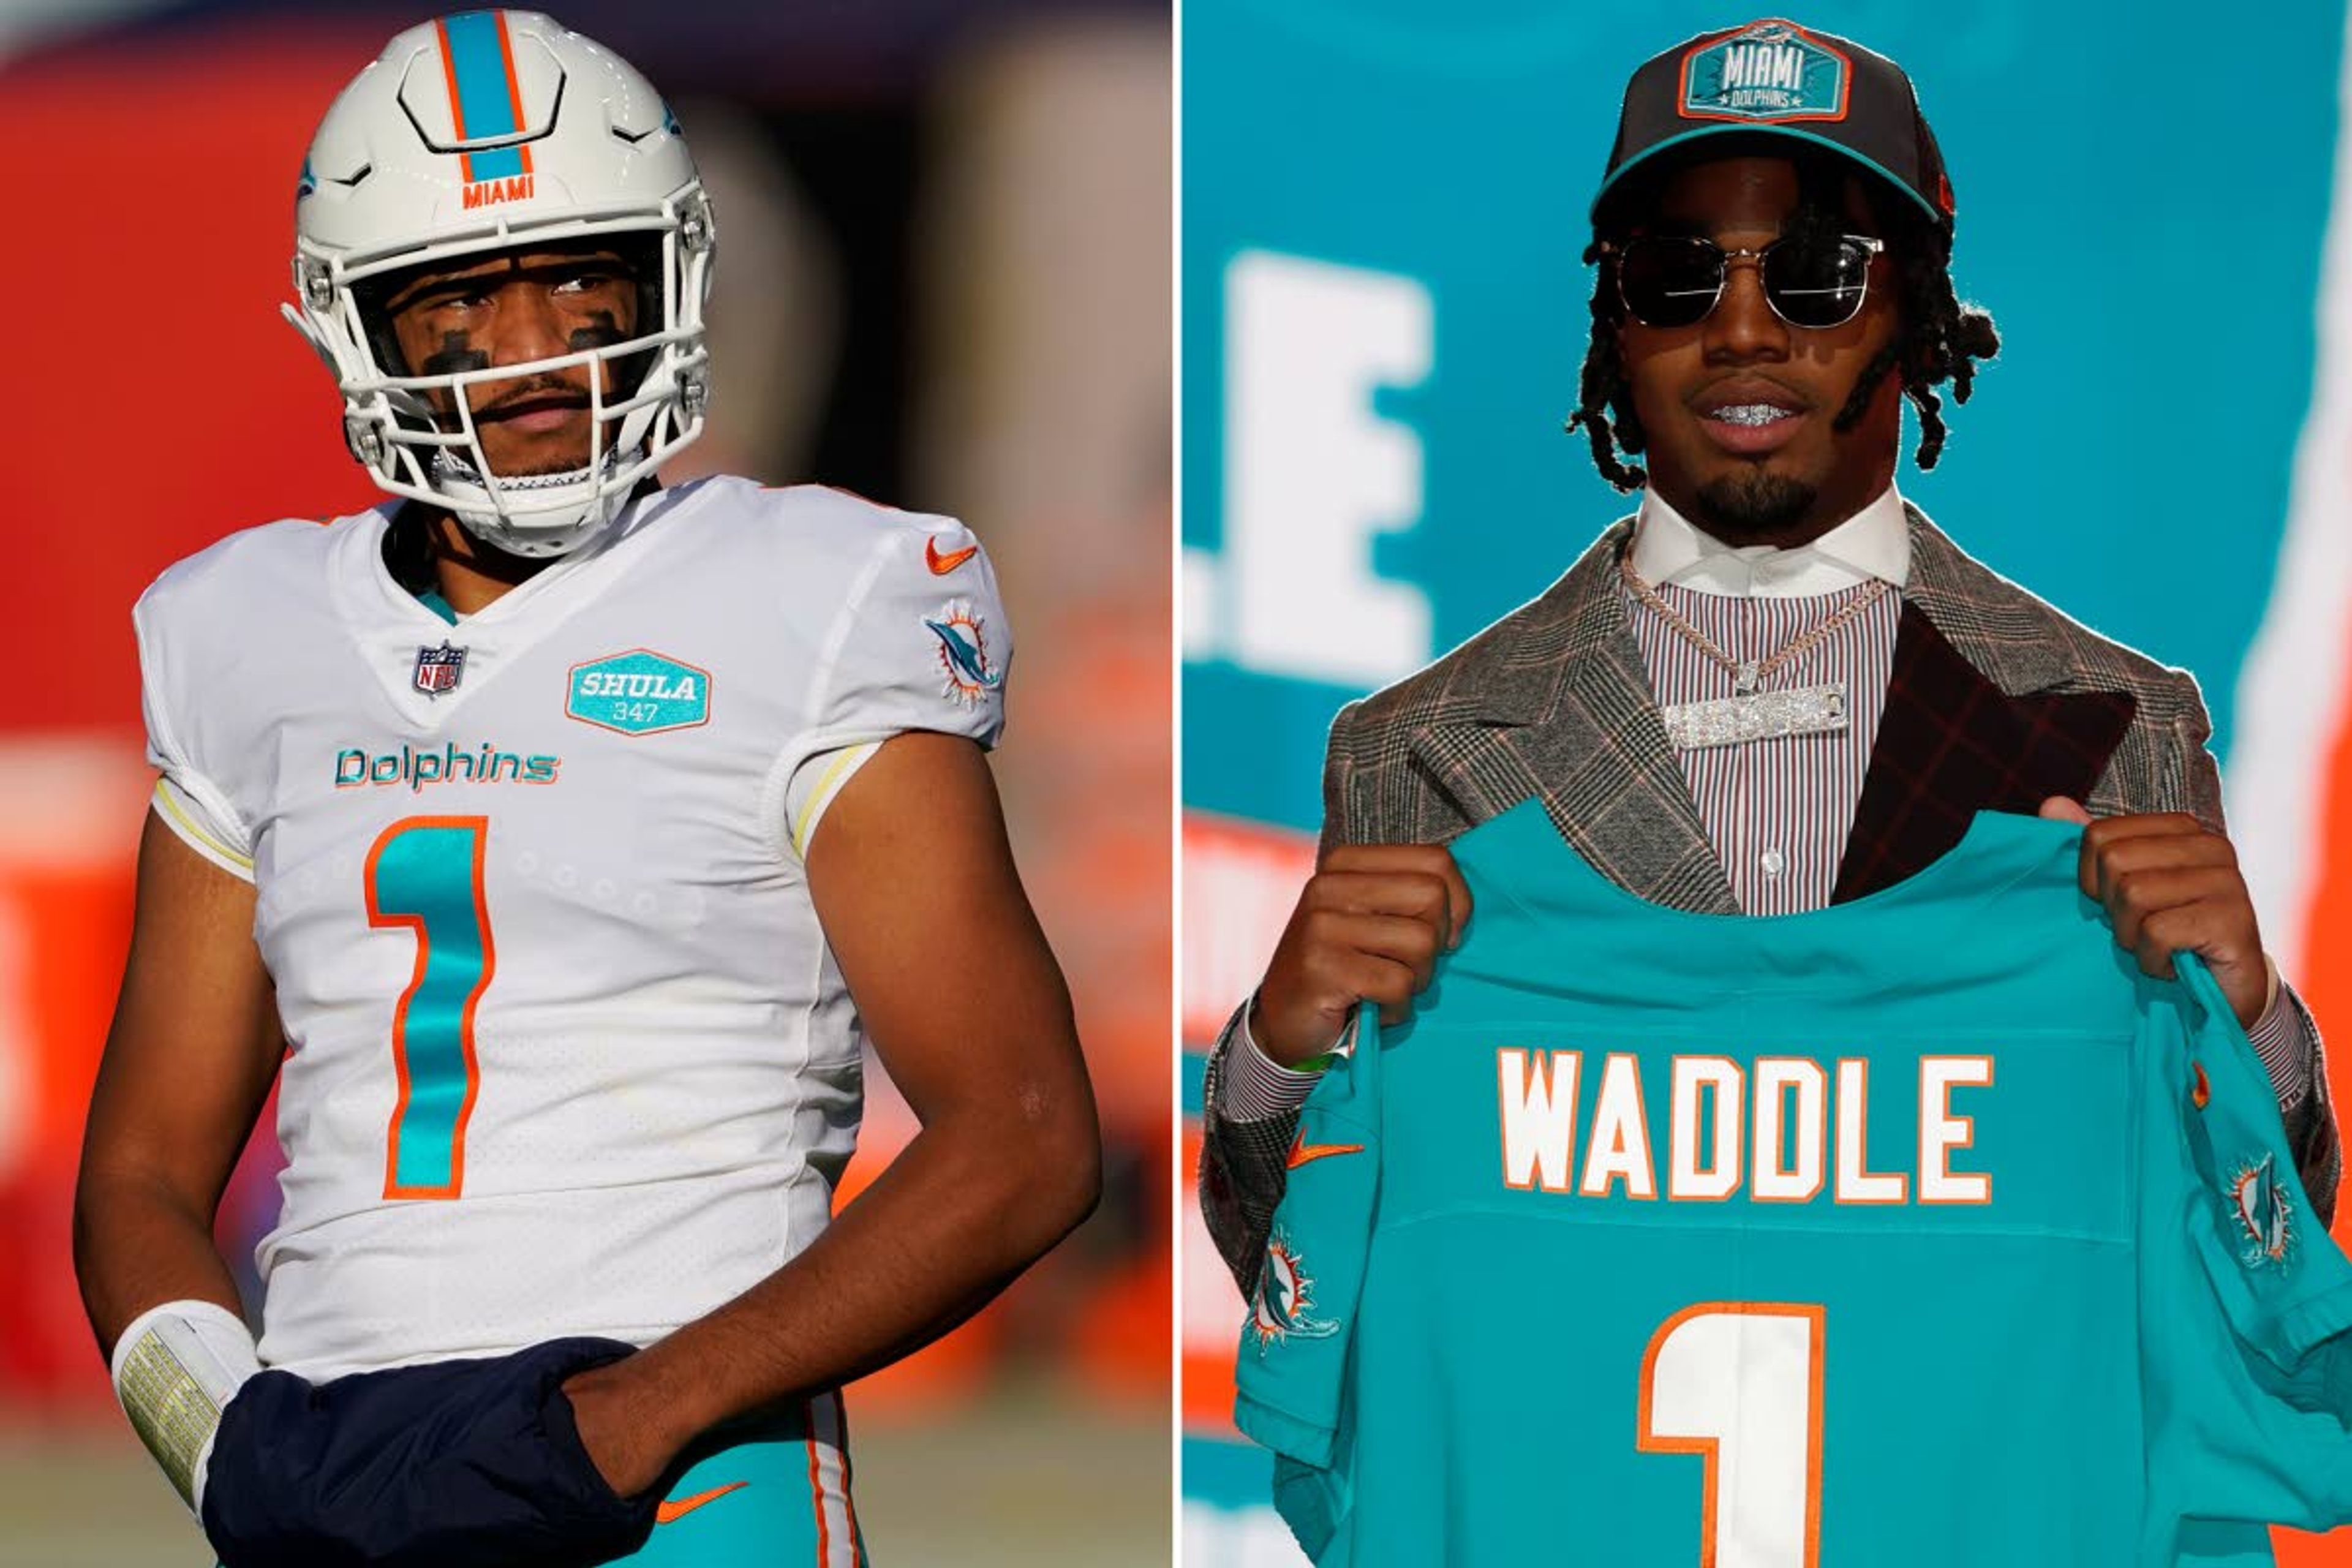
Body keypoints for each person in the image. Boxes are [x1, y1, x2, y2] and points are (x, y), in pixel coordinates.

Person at [72, 11, 1099, 1566]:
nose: (537, 334)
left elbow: (1021, 1133)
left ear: (666, 272)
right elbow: (141, 1167)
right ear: (359, 324)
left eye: (579, 269)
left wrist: (620, 1419)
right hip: (338, 1468)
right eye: (465, 290)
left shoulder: (822, 589)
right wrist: (226, 1442)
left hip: (683, 1481)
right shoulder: (239, 627)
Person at [1199, 16, 2340, 1299]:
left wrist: (2254, 1024)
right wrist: (1275, 1052)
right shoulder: (1415, 750)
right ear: (1615, 325)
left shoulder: (2123, 728)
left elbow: (2249, 1269)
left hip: (1965, 1490)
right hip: (1575, 1488)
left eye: (1817, 270)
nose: (1743, 328)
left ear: (1913, 309)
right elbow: (1305, 1283)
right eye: (1678, 273)